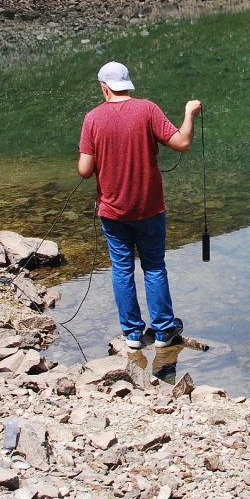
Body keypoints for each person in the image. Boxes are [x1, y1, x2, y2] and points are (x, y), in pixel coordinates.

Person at [78, 61, 201, 349]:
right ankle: (163, 331)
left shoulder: (92, 118)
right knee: (154, 266)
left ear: (104, 87)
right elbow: (182, 143)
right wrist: (189, 114)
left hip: (113, 211)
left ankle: (132, 334)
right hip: (149, 209)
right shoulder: (148, 109)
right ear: (127, 84)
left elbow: (85, 170)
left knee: (122, 269)